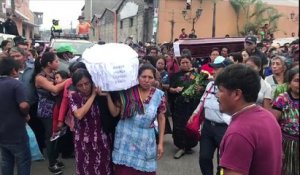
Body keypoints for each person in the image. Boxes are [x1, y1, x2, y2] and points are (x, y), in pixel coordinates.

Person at [215, 64, 282, 175]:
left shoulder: (239, 132)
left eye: (220, 90)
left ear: (237, 94)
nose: (217, 95)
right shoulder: (268, 116)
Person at [107, 64, 166, 174]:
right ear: (137, 77)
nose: (146, 80)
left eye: (150, 77)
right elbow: (115, 112)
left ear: (154, 79)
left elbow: (161, 117)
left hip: (145, 140)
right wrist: (107, 96)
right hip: (125, 139)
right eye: (143, 77)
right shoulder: (127, 92)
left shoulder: (159, 95)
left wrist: (161, 143)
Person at [189, 56, 232, 175]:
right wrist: (194, 113)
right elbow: (202, 101)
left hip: (224, 129)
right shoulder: (210, 85)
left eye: (217, 68)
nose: (213, 71)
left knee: (223, 162)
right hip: (207, 127)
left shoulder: (232, 88)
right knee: (204, 158)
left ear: (226, 70)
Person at [68, 69, 113, 175]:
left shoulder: (101, 95)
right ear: (76, 86)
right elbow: (79, 114)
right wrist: (92, 96)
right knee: (85, 169)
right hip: (83, 142)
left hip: (102, 141)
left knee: (104, 169)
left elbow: (114, 113)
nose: (84, 87)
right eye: (80, 85)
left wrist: (105, 95)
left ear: (92, 81)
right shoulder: (74, 97)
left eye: (87, 83)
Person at [33, 52, 66, 174]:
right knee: (50, 136)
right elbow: (55, 89)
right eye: (56, 61)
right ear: (49, 63)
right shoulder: (40, 77)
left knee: (56, 135)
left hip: (55, 110)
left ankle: (55, 159)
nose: (58, 63)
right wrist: (69, 80)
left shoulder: (52, 74)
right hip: (46, 111)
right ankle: (52, 164)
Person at [0, 57, 31, 175]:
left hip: (2, 133)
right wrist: (26, 114)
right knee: (23, 162)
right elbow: (23, 105)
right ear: (13, 70)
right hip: (16, 133)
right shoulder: (16, 84)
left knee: (6, 161)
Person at [169, 53, 203, 159]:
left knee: (191, 125)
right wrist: (175, 90)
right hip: (179, 106)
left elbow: (203, 88)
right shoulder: (175, 75)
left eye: (186, 62)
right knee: (179, 126)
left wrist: (200, 89)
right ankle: (181, 147)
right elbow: (170, 89)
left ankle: (189, 145)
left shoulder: (197, 75)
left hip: (192, 106)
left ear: (190, 63)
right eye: (182, 62)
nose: (184, 64)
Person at [271, 66, 299, 175]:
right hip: (286, 143)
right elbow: (273, 124)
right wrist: (278, 147)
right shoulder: (282, 99)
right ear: (289, 83)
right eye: (296, 81)